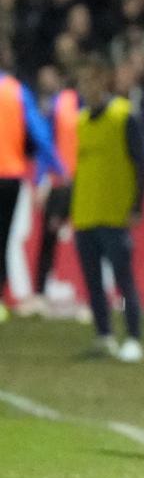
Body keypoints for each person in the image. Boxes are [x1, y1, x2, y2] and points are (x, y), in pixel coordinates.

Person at [70, 55, 144, 362]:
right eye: (81, 82)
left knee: (123, 279)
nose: (85, 87)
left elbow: (141, 164)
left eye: (91, 80)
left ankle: (134, 337)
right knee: (92, 280)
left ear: (104, 82)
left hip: (115, 213)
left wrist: (137, 204)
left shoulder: (123, 115)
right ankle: (104, 335)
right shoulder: (81, 121)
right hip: (86, 213)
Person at [0, 64, 62, 321]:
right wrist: (59, 167)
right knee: (2, 240)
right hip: (10, 175)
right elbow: (39, 133)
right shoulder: (16, 90)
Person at [23, 64, 79, 316]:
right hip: (62, 181)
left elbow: (46, 144)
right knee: (51, 236)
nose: (45, 81)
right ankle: (41, 291)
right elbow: (45, 145)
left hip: (68, 180)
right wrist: (41, 180)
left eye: (49, 77)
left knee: (62, 236)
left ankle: (44, 291)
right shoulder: (58, 105)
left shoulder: (64, 104)